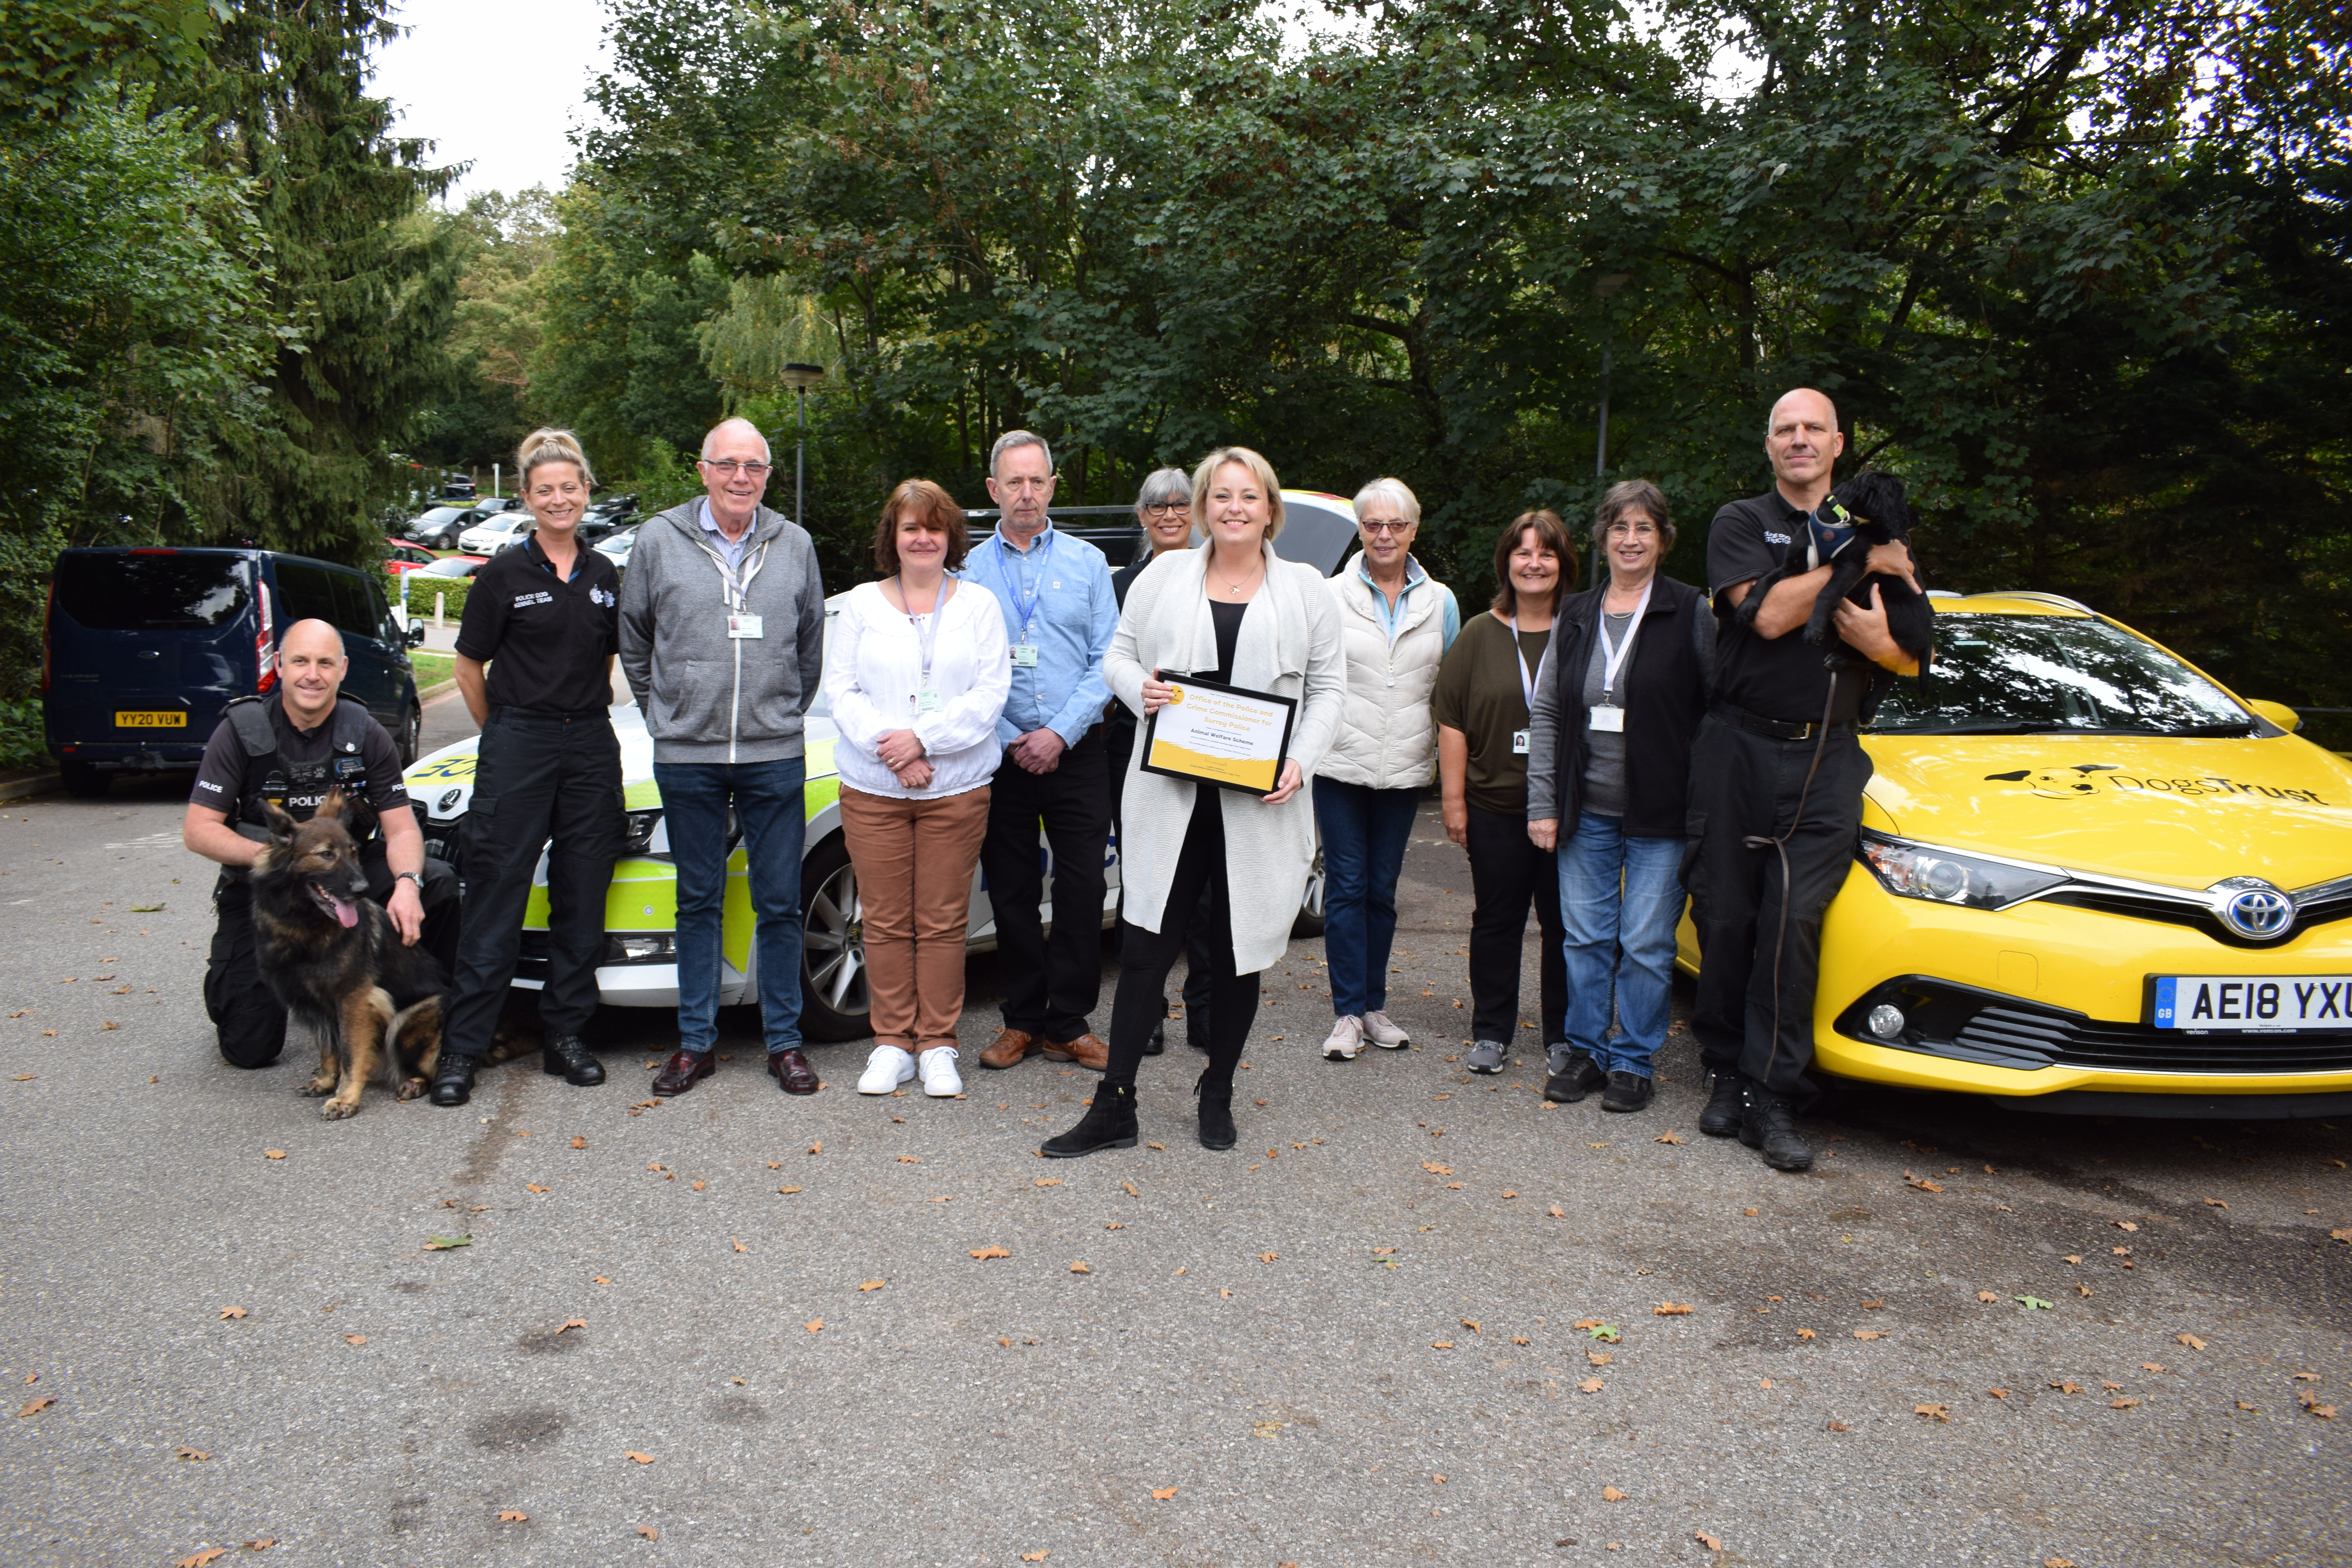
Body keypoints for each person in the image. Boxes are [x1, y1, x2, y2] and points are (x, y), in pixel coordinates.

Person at [1043, 445, 1345, 1154]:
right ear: (1205, 506)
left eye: (1249, 495)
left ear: (1270, 509)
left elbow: (1330, 690)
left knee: (1237, 953)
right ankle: (1115, 1102)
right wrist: (1135, 690)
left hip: (1258, 803)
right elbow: (1116, 655)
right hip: (1169, 798)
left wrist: (1301, 759)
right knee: (1146, 947)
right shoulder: (1165, 577)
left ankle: (1219, 1089)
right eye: (1221, 495)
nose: (1233, 507)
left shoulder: (1306, 589)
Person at [1690, 388, 1927, 1170]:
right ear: (1770, 446)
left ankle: (1774, 1092)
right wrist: (1854, 561)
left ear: (1838, 444)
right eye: (1785, 430)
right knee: (1727, 915)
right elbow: (1763, 616)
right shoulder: (1739, 521)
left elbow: (1913, 649)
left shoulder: (1877, 527)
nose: (1799, 440)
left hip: (1828, 754)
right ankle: (1724, 1067)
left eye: (1812, 430)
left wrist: (1880, 634)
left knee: (1792, 924)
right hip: (1738, 749)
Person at [619, 416, 828, 1097]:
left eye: (755, 467)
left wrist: (780, 714)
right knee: (698, 899)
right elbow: (635, 637)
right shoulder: (658, 539)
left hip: (772, 753)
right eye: (728, 464)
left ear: (768, 475)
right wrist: (667, 714)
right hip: (689, 755)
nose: (742, 478)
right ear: (704, 470)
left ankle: (785, 1044)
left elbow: (810, 648)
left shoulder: (794, 544)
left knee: (779, 903)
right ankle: (696, 1044)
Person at [432, 429, 624, 1105]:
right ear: (527, 498)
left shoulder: (605, 576)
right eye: (545, 490)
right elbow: (467, 665)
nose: (559, 499)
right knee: (496, 892)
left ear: (586, 492)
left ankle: (565, 1037)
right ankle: (462, 1049)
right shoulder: (504, 575)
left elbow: (604, 662)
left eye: (569, 487)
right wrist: (505, 734)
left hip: (590, 744)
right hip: (519, 741)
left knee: (582, 892)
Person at [184, 619, 459, 1070]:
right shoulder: (241, 729)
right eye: (301, 661)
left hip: (345, 871)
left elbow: (403, 828)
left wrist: (408, 884)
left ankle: (436, 1015)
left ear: (343, 669)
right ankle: (295, 996)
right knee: (248, 1047)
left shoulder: (365, 730)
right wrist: (278, 860)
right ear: (279, 666)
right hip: (271, 889)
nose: (313, 674)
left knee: (438, 882)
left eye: (325, 663)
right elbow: (198, 829)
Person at [1526, 482, 1714, 1113]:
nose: (1631, 540)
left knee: (1647, 943)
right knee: (1583, 939)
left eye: (1644, 528)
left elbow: (1715, 712)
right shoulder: (1576, 613)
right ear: (1603, 539)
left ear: (1662, 539)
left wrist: (1706, 806)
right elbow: (1549, 710)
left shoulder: (1691, 610)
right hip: (1586, 811)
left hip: (1662, 814)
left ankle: (1633, 1060)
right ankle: (1585, 1051)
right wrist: (1544, 804)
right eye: (1619, 528)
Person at [824, 480, 1009, 1098]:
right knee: (880, 921)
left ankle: (936, 1045)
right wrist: (893, 747)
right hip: (873, 787)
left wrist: (923, 741)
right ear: (893, 538)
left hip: (955, 787)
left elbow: (989, 696)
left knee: (940, 921)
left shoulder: (978, 605)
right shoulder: (860, 605)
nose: (923, 537)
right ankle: (890, 1044)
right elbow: (841, 691)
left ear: (950, 537)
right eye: (910, 528)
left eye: (934, 527)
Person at [967, 430, 1120, 1075]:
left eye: (1038, 481)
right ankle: (1023, 1020)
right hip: (998, 752)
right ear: (994, 490)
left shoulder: (1088, 564)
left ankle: (1069, 1023)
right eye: (1014, 482)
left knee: (1084, 887)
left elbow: (1107, 659)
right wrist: (1011, 738)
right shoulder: (967, 571)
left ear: (1054, 485)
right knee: (1011, 891)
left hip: (1078, 750)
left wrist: (1059, 732)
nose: (1026, 494)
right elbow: (961, 671)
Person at [1313, 477, 1459, 1062]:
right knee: (1346, 888)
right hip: (1341, 763)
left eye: (1396, 525)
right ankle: (1347, 1012)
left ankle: (1374, 1007)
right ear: (1360, 529)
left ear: (1414, 531)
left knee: (1382, 890)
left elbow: (1448, 690)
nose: (1384, 535)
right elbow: (1313, 678)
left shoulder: (1441, 601)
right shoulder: (1328, 595)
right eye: (1373, 524)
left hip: (1403, 768)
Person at [1433, 510, 1577, 1078]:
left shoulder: (1584, 628)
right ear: (1506, 562)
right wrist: (1453, 801)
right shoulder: (1478, 633)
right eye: (1523, 553)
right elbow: (1451, 722)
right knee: (1497, 922)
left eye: (1546, 553)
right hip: (1494, 806)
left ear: (1563, 563)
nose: (1534, 563)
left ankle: (1566, 1037)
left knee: (1567, 927)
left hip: (1570, 812)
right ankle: (1492, 1032)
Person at [1107, 466, 1214, 1055]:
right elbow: (1111, 658)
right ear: (1142, 516)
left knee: (1201, 889)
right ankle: (1146, 1011)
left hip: (1205, 746)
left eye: (1179, 505)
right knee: (1142, 881)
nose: (1170, 515)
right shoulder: (1123, 583)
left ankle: (1203, 1008)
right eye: (1157, 507)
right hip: (1136, 746)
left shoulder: (1218, 575)